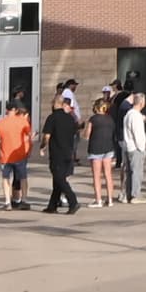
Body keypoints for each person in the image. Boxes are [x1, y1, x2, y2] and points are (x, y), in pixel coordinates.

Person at [41, 86, 82, 215]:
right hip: (68, 152)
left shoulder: (52, 118)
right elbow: (75, 132)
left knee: (59, 179)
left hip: (57, 153)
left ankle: (73, 201)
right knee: (57, 179)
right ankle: (52, 205)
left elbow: (46, 136)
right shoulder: (70, 118)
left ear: (55, 104)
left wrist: (43, 146)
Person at [0, 98, 33, 210]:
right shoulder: (23, 122)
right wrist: (29, 150)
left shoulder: (0, 123)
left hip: (5, 155)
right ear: (15, 110)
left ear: (7, 110)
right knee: (23, 178)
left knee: (6, 178)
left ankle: (7, 202)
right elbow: (29, 137)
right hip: (20, 154)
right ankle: (24, 200)